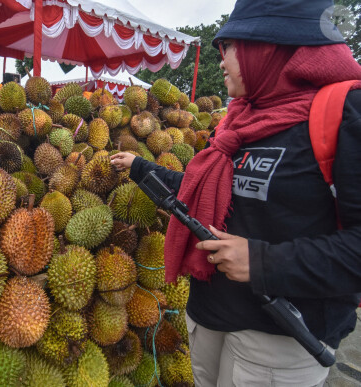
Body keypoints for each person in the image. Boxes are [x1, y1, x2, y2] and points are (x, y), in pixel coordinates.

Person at [110, 0, 361, 385]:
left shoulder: (345, 115)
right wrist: (140, 167)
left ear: (268, 46)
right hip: (209, 317)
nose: (221, 57)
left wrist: (263, 262)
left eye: (229, 46)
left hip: (279, 337)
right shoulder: (239, 119)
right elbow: (203, 189)